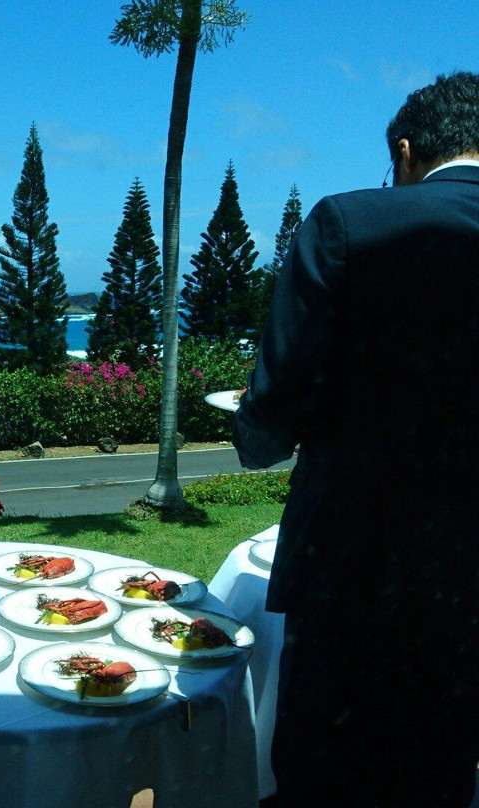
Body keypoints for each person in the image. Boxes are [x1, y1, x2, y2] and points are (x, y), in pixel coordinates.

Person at [234, 72, 479, 807]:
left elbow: (272, 418)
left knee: (323, 780)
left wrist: (251, 427)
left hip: (356, 580)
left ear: (406, 151)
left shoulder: (348, 225)